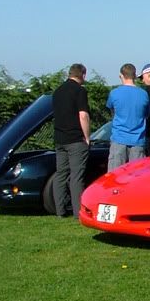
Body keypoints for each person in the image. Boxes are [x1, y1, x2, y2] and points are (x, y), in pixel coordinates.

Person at [52, 63, 90, 218]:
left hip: (60, 139)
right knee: (76, 176)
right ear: (83, 75)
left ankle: (60, 210)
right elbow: (83, 115)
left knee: (61, 174)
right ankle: (78, 212)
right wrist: (87, 137)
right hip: (75, 139)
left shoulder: (57, 92)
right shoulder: (79, 91)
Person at [105, 63, 150, 171]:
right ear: (135, 76)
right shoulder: (144, 94)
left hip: (119, 139)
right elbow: (147, 114)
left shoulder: (114, 93)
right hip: (138, 140)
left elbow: (111, 110)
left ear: (121, 75)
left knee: (114, 176)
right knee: (137, 177)